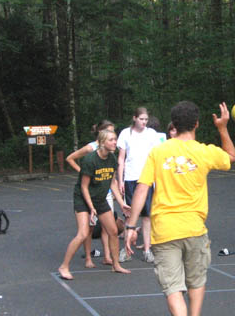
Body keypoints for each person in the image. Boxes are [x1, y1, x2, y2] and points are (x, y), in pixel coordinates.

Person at [124, 101, 235, 316]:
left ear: (173, 125)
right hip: (195, 228)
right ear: (197, 124)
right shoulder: (204, 152)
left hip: (165, 231)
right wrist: (222, 128)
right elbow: (231, 157)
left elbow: (142, 189)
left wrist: (131, 227)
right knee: (196, 280)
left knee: (173, 287)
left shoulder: (158, 152)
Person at [58, 130, 131, 280]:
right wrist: (91, 207)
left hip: (99, 198)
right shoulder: (90, 160)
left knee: (113, 231)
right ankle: (64, 266)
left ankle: (116, 264)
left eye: (115, 139)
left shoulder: (112, 158)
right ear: (102, 142)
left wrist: (122, 203)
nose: (114, 143)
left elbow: (112, 183)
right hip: (83, 198)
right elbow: (84, 187)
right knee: (83, 233)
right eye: (111, 140)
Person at [65, 119, 116, 266]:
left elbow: (112, 178)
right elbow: (70, 158)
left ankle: (108, 257)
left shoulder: (111, 155)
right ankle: (88, 257)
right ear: (101, 134)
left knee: (110, 227)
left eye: (114, 134)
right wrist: (84, 173)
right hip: (87, 193)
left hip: (102, 192)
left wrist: (119, 197)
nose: (114, 138)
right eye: (110, 134)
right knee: (87, 229)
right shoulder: (90, 150)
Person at [117, 107, 160, 263]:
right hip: (130, 178)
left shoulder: (152, 134)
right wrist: (120, 180)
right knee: (129, 215)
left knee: (147, 216)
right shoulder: (125, 134)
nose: (144, 122)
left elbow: (157, 157)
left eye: (146, 120)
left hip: (148, 178)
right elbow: (121, 159)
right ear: (134, 118)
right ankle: (126, 249)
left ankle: (148, 250)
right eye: (141, 119)